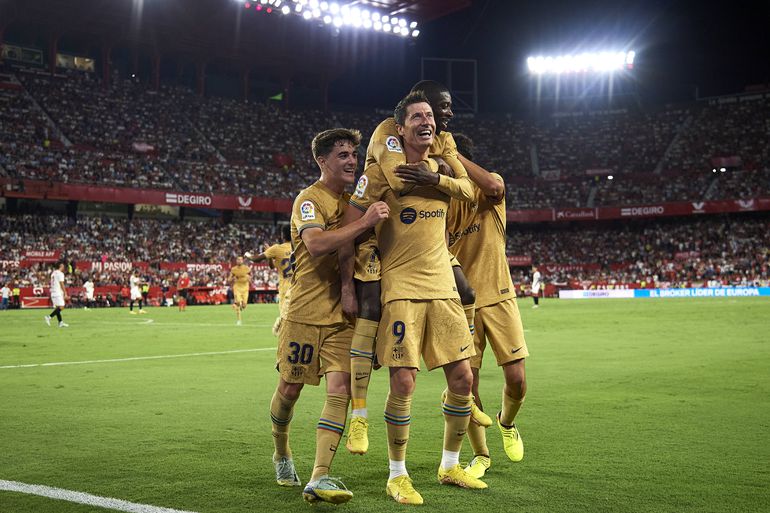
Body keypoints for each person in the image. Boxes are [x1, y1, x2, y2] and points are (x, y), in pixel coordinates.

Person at [345, 92, 486, 505]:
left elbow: (470, 191)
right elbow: (351, 223)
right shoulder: (376, 174)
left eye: (429, 116)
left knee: (463, 378)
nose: (426, 121)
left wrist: (437, 178)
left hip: (443, 287)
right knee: (403, 381)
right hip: (401, 290)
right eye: (416, 117)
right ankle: (397, 475)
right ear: (400, 128)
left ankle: (449, 464)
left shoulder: (445, 166)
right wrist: (349, 280)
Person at [267, 128, 389, 505]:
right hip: (305, 310)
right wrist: (365, 222)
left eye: (354, 154)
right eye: (342, 155)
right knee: (289, 390)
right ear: (322, 161)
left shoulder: (356, 199)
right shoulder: (310, 199)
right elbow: (317, 244)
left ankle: (319, 477)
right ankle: (282, 451)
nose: (352, 160)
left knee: (341, 390)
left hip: (343, 315)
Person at [445, 133, 529, 478]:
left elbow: (495, 185)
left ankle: (506, 422)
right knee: (468, 384)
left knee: (517, 379)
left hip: (499, 296)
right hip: (461, 305)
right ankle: (481, 454)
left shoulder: (487, 192)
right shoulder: (443, 206)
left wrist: (453, 155)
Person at [245, 224, 293, 335]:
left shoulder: (277, 248)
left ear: (282, 235)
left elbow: (255, 259)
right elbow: (272, 266)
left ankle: (280, 324)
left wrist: (247, 254)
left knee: (285, 316)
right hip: (298, 288)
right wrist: (271, 256)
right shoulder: (298, 247)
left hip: (285, 289)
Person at [44, 260, 69, 328]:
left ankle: (60, 322)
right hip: (57, 292)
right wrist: (65, 293)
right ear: (61, 266)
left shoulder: (53, 273)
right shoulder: (60, 274)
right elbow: (62, 284)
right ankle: (49, 317)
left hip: (53, 292)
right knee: (62, 306)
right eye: (63, 265)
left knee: (58, 308)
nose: (64, 267)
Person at [229, 256, 251, 326]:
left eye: (241, 259)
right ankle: (239, 320)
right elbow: (229, 279)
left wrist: (249, 278)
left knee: (244, 305)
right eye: (238, 259)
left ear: (243, 261)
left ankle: (235, 305)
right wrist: (233, 278)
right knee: (238, 302)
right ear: (236, 261)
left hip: (245, 288)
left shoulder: (247, 268)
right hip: (237, 287)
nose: (239, 261)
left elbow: (250, 278)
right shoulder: (233, 269)